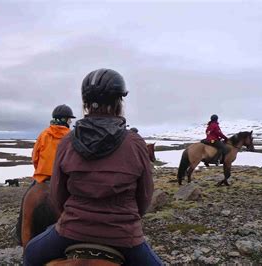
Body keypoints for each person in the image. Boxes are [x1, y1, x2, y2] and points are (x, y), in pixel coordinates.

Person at [23, 68, 162, 265]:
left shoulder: (68, 142)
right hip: (124, 236)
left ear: (85, 104)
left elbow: (57, 195)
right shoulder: (135, 143)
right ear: (118, 103)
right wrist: (125, 221)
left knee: (30, 255)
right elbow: (145, 196)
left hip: (71, 230)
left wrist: (74, 220)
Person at [14, 104, 75, 243]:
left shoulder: (44, 134)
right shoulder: (71, 137)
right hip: (64, 180)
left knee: (26, 203)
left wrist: (40, 171)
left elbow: (35, 157)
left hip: (42, 179)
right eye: (69, 120)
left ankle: (19, 234)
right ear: (65, 119)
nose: (70, 122)